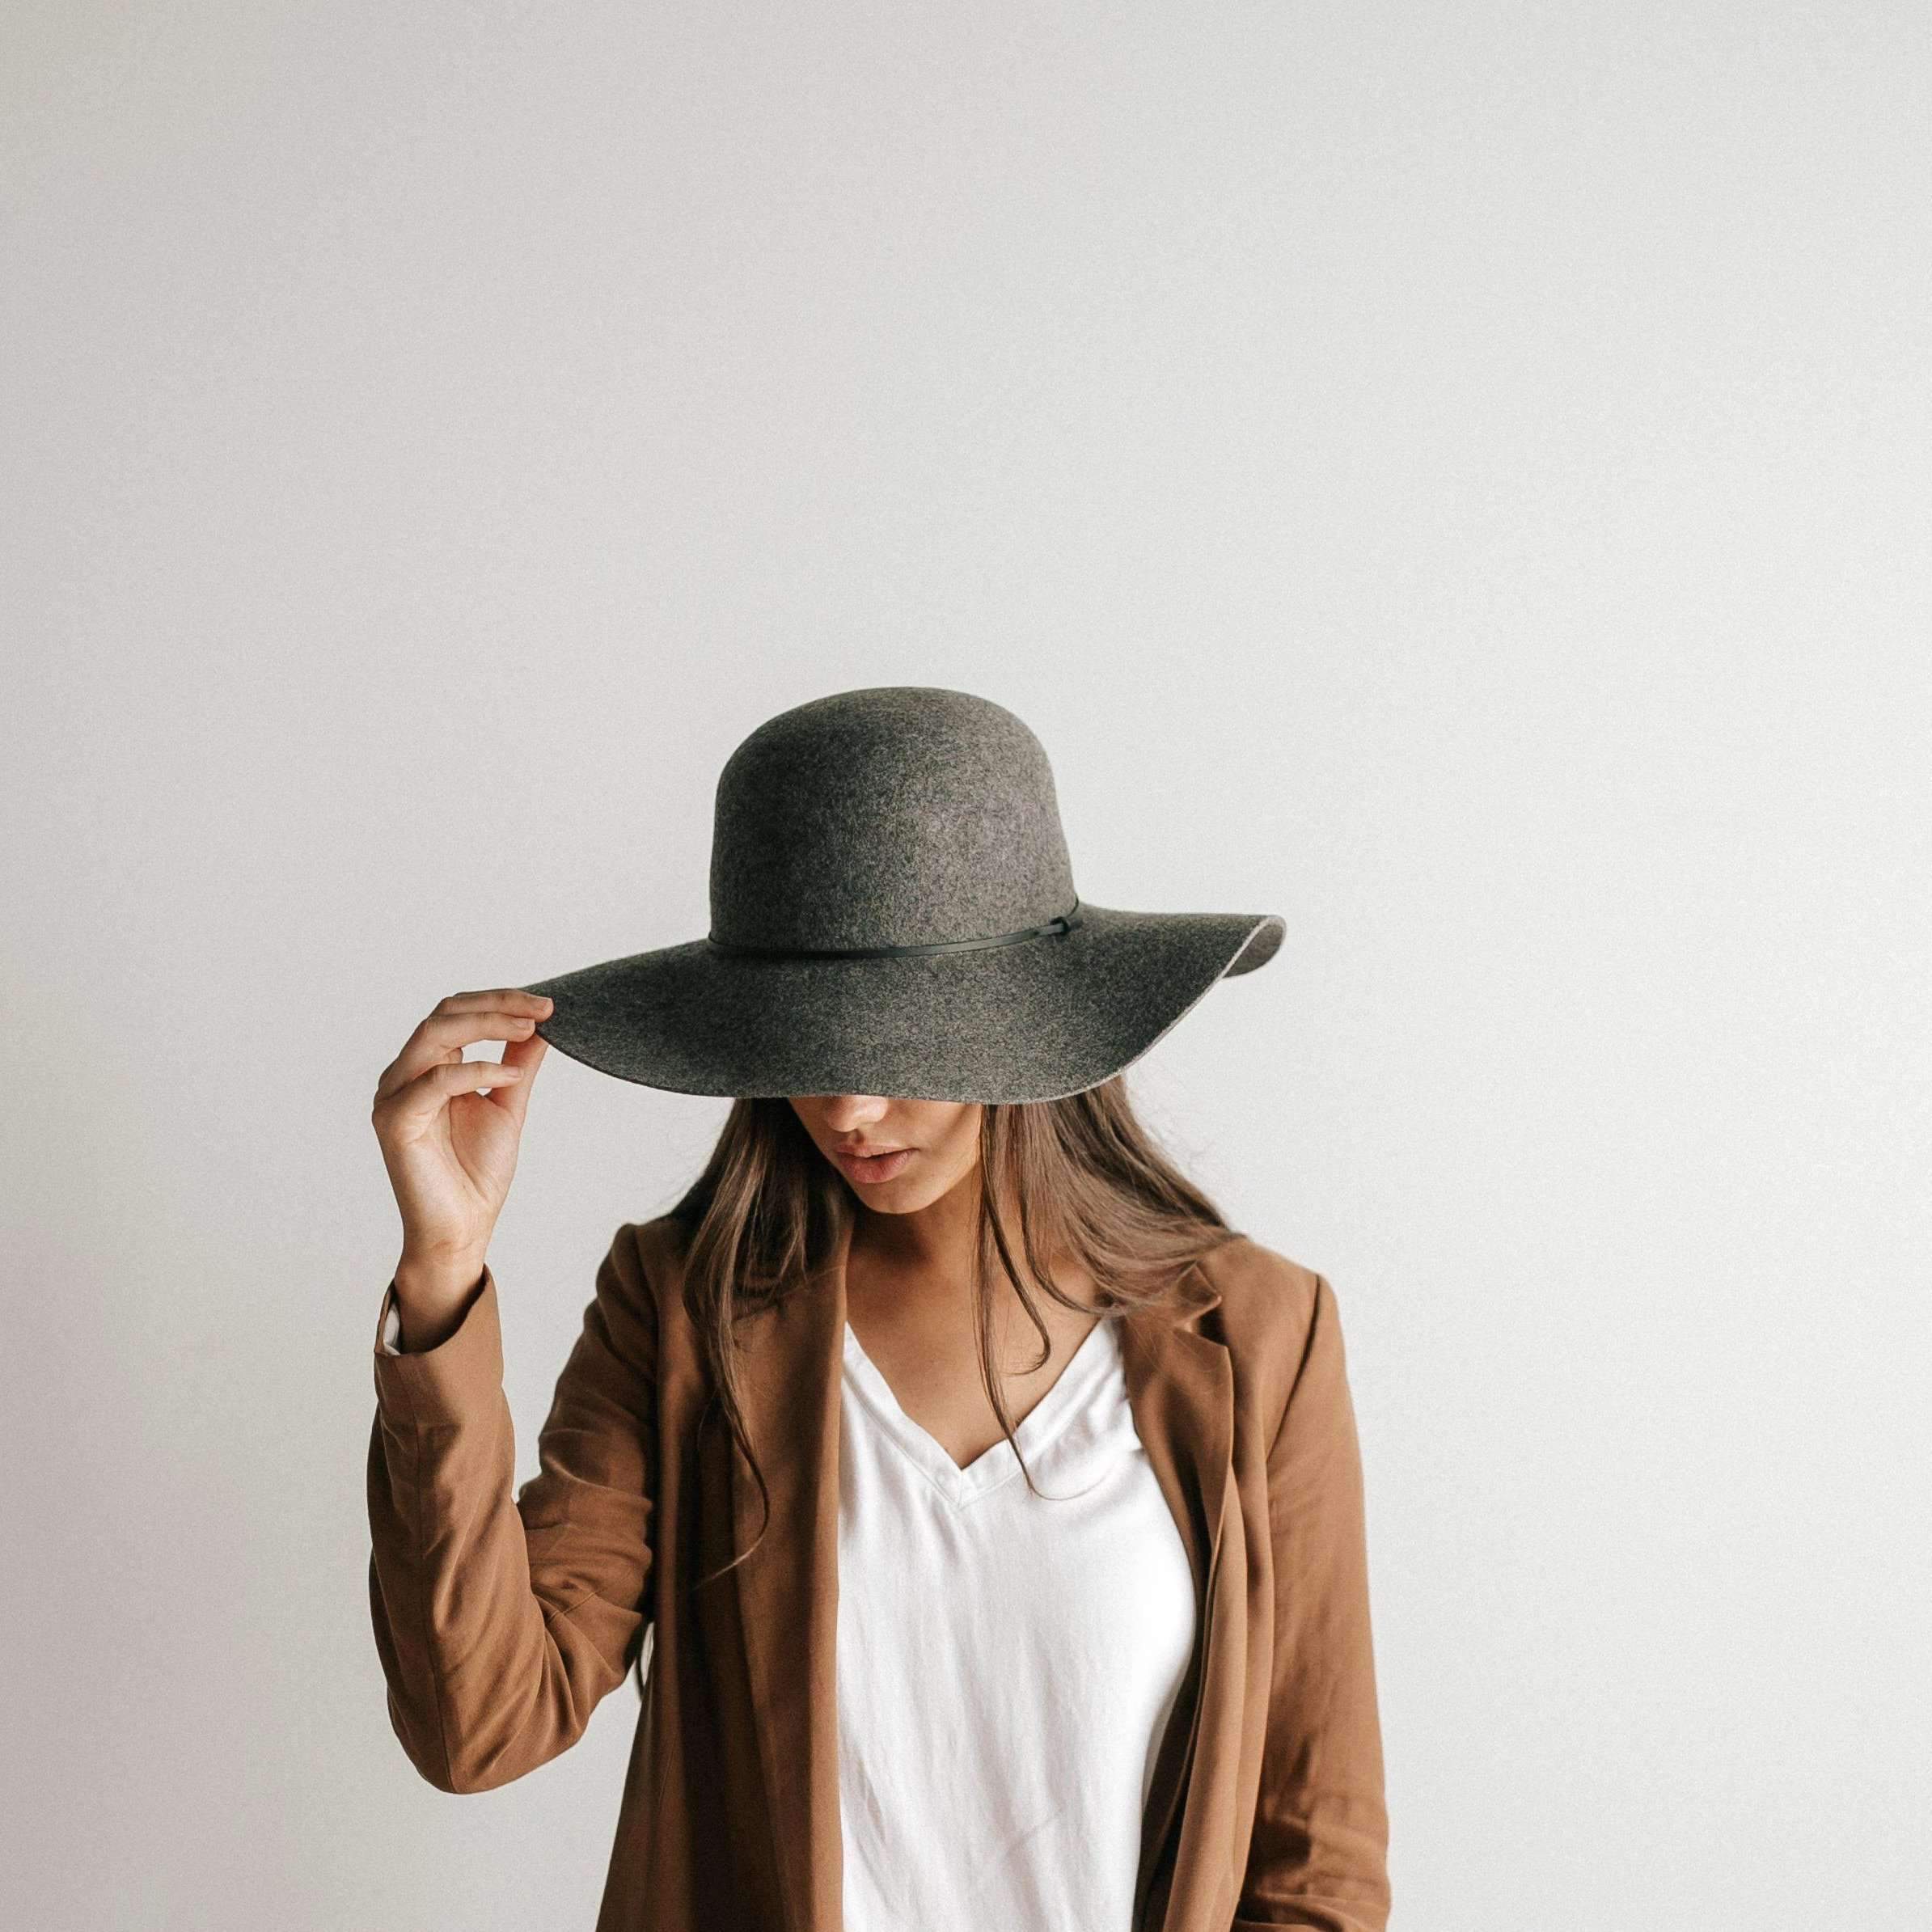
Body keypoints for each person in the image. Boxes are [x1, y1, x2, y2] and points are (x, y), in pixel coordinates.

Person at [365, 686, 1391, 1932]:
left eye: (900, 1039)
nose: (847, 1109)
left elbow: (1312, 1858)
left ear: (1023, 1024)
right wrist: (442, 1278)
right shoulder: (683, 1313)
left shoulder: (1256, 1337)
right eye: (803, 1039)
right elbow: (479, 1723)